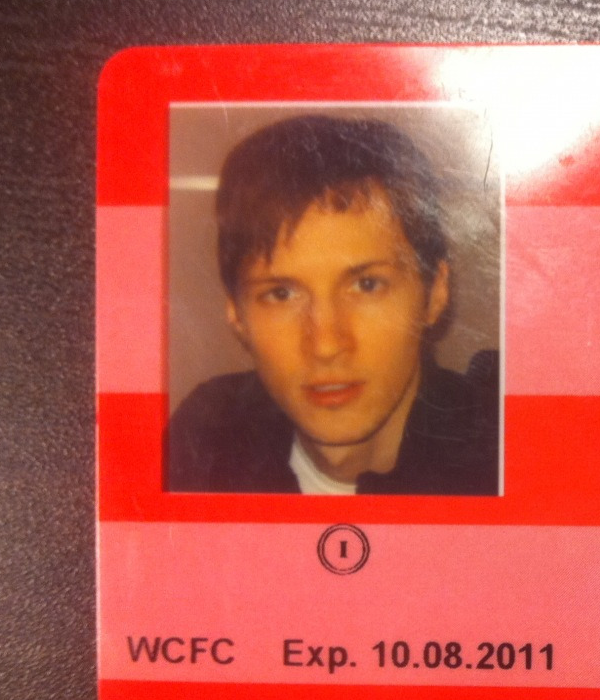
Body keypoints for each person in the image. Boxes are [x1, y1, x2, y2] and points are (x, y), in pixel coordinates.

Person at [167, 115, 499, 495]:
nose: (325, 345)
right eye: (281, 294)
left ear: (435, 294)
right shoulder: (205, 437)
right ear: (236, 314)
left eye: (367, 285)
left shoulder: (501, 460)